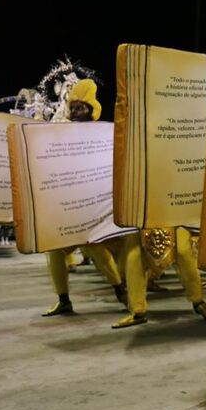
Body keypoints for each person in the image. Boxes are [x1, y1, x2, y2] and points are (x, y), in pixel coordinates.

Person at [41, 79, 127, 316]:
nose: (77, 111)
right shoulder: (62, 134)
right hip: (66, 206)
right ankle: (64, 299)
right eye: (74, 107)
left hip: (92, 207)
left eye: (82, 107)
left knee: (94, 249)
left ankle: (120, 289)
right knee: (55, 251)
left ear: (92, 109)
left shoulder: (101, 134)